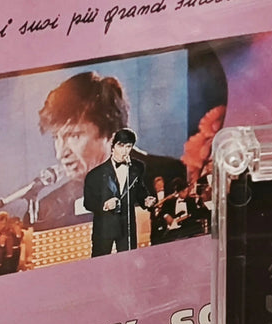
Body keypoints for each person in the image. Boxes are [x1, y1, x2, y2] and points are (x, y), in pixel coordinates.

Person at [33, 71, 185, 230]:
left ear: (112, 135)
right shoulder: (48, 209)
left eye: (74, 135)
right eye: (56, 137)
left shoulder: (172, 176)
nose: (60, 153)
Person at [82, 128, 156, 257]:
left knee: (128, 261)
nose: (124, 151)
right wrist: (105, 205)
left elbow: (139, 190)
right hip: (105, 227)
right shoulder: (95, 175)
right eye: (121, 146)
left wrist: (145, 200)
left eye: (128, 147)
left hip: (127, 226)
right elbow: (88, 203)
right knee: (101, 263)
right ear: (113, 146)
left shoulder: (137, 167)